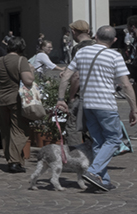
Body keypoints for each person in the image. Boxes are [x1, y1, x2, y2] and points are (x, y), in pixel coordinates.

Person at [57, 26, 137, 191]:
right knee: (114, 139)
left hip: (87, 104)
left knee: (98, 141)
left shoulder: (82, 52)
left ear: (95, 36)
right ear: (114, 40)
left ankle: (103, 179)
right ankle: (93, 172)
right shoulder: (115, 55)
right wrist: (133, 108)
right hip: (105, 104)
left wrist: (60, 99)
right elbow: (126, 85)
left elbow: (66, 76)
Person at [0, 36, 36, 174]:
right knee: (20, 129)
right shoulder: (21, 60)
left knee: (6, 130)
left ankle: (14, 160)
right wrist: (32, 70)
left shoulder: (0, 60)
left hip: (1, 98)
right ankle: (14, 162)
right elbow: (28, 80)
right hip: (16, 98)